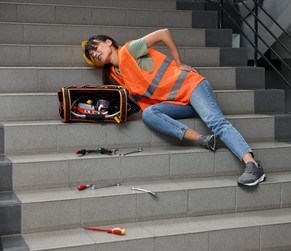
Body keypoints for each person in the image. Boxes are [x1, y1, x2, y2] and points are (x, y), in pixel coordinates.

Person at [83, 28, 265, 186]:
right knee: (149, 114)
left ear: (108, 42)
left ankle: (253, 165)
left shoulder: (129, 50)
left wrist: (179, 63)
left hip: (191, 87)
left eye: (95, 47)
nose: (95, 53)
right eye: (92, 54)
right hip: (178, 103)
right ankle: (203, 140)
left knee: (216, 122)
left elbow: (163, 33)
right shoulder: (116, 75)